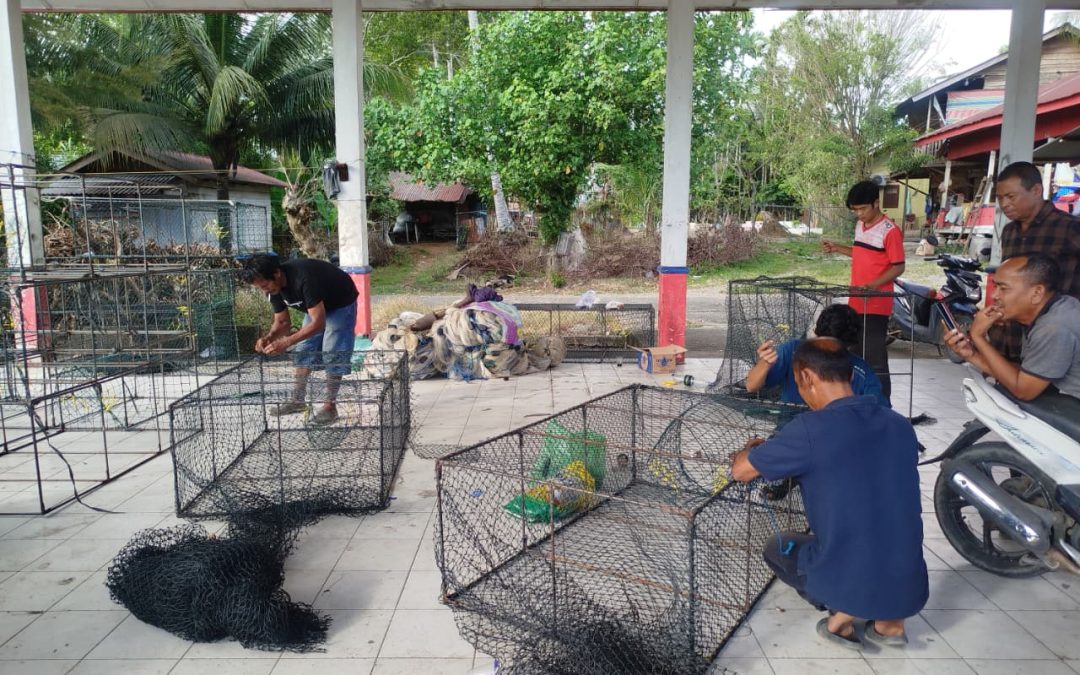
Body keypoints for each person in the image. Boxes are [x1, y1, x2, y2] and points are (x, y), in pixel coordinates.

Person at [730, 338, 928, 650]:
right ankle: (890, 625)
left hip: (853, 582)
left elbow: (741, 472)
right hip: (910, 586)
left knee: (778, 546)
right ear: (850, 376)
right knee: (882, 529)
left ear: (805, 377)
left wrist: (752, 448)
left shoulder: (810, 429)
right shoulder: (899, 425)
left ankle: (842, 617)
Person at [241, 254, 359, 425]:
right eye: (260, 288)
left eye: (265, 285)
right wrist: (269, 337)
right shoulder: (273, 289)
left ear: (277, 273)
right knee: (304, 348)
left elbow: (319, 324)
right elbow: (282, 322)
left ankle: (330, 407)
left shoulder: (304, 279)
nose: (264, 291)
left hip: (341, 301)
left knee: (333, 351)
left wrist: (287, 342)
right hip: (316, 306)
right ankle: (297, 401)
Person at [944, 254, 1080, 401]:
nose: (995, 295)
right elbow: (1026, 376)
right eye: (995, 286)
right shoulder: (1060, 306)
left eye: (1003, 288)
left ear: (1037, 293)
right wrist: (971, 354)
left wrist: (978, 336)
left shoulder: (1053, 328)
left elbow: (1023, 390)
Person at [822, 180, 906, 402]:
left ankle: (883, 405)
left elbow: (898, 266)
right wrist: (838, 248)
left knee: (875, 356)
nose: (859, 214)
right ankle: (859, 400)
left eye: (862, 209)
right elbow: (861, 253)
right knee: (855, 353)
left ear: (876, 203)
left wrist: (873, 286)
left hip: (877, 303)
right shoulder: (861, 226)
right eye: (855, 210)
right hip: (856, 301)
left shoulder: (890, 231)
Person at [991, 161, 1080, 362]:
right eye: (1000, 198)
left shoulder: (1069, 228)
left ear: (1036, 190)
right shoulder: (1009, 232)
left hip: (1050, 337)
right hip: (1010, 335)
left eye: (1011, 197)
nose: (1004, 204)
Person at [744, 304, 889, 408]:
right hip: (792, 427)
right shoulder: (793, 351)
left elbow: (880, 410)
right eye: (821, 350)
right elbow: (751, 386)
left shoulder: (860, 370)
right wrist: (765, 363)